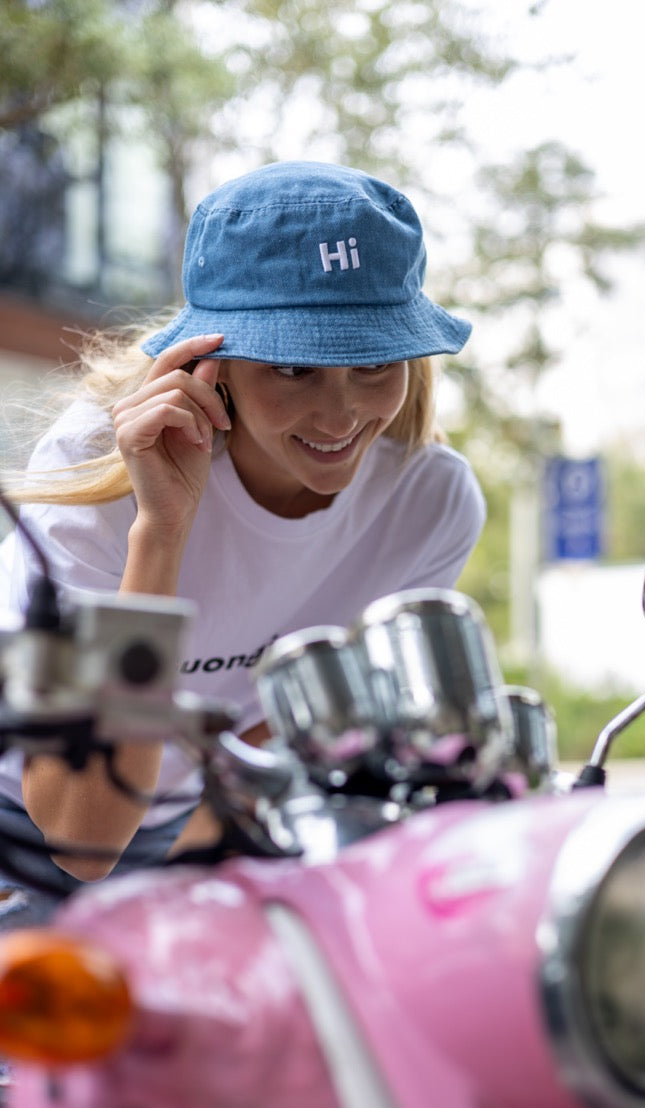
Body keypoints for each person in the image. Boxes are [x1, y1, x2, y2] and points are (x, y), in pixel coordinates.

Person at [0, 159, 485, 919]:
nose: (339, 416)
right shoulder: (98, 464)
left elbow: (280, 720)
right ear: (210, 361)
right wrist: (160, 532)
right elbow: (77, 831)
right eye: (292, 366)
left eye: (373, 363)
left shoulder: (430, 502)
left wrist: (202, 860)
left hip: (177, 825)